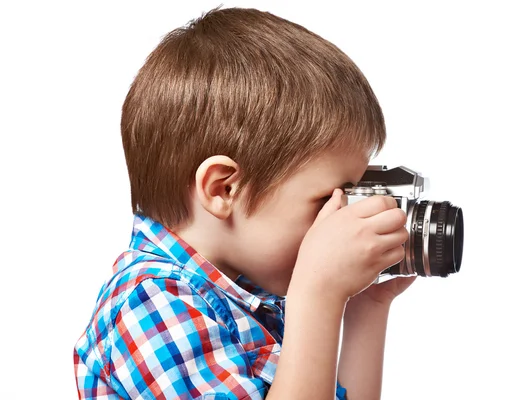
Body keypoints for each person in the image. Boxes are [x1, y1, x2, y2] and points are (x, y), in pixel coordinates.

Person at [73, 6, 416, 399]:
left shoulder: (251, 297)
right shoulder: (150, 303)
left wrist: (366, 306)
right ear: (223, 190)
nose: (339, 218)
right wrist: (317, 293)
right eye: (325, 199)